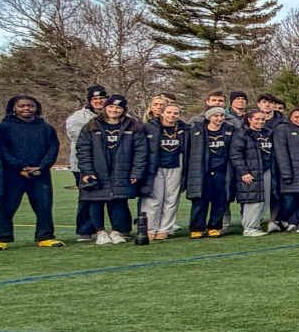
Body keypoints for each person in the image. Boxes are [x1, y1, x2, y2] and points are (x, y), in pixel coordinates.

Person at [75, 94, 148, 245]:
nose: (114, 110)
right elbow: (83, 150)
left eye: (118, 108)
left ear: (123, 110)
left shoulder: (132, 126)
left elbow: (141, 151)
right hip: (98, 170)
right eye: (111, 107)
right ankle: (100, 232)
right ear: (105, 108)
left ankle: (116, 231)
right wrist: (87, 171)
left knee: (119, 201)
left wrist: (136, 172)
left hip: (123, 170)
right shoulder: (92, 126)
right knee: (95, 201)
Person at [0, 95, 60, 249]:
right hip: (12, 175)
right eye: (22, 106)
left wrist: (41, 167)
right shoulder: (3, 127)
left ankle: (45, 236)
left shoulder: (46, 128)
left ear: (36, 108)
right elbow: (2, 150)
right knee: (6, 207)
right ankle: (2, 239)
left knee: (44, 206)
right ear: (14, 108)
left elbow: (52, 149)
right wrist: (19, 166)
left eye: (30, 106)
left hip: (40, 174)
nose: (26, 109)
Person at [138, 101, 189, 242]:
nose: (172, 115)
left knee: (171, 199)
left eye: (175, 113)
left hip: (175, 166)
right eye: (169, 112)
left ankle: (165, 229)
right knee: (153, 199)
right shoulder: (149, 127)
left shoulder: (184, 129)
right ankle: (150, 229)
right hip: (155, 167)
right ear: (162, 113)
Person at [183, 108, 237, 237]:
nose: (219, 118)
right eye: (216, 116)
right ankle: (197, 228)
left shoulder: (229, 130)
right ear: (209, 117)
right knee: (200, 200)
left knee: (219, 200)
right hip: (203, 171)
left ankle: (214, 226)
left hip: (221, 170)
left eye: (221, 116)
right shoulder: (196, 130)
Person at [65, 85, 107, 237]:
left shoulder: (114, 114)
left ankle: (107, 228)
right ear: (89, 101)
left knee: (110, 197)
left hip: (108, 164)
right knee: (87, 198)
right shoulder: (77, 118)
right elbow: (80, 139)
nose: (98, 101)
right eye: (95, 99)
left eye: (101, 98)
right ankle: (85, 230)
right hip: (83, 164)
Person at [232, 107, 276, 236]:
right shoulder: (242, 134)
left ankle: (256, 225)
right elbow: (236, 155)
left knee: (264, 200)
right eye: (257, 119)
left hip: (267, 170)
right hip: (251, 172)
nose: (260, 122)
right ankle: (249, 228)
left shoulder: (268, 133)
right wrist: (244, 172)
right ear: (249, 120)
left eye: (262, 119)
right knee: (252, 200)